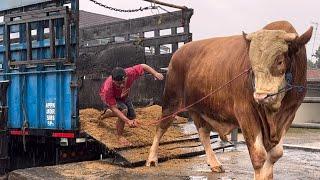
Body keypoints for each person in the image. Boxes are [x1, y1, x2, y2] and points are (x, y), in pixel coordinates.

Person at [99, 64, 164, 145]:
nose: (122, 85)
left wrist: (155, 73)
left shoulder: (130, 73)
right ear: (113, 81)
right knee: (123, 110)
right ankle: (120, 136)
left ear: (126, 77)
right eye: (118, 84)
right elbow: (114, 107)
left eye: (123, 82)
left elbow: (143, 66)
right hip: (112, 98)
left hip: (124, 96)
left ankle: (107, 113)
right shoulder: (107, 89)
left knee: (132, 116)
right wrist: (127, 121)